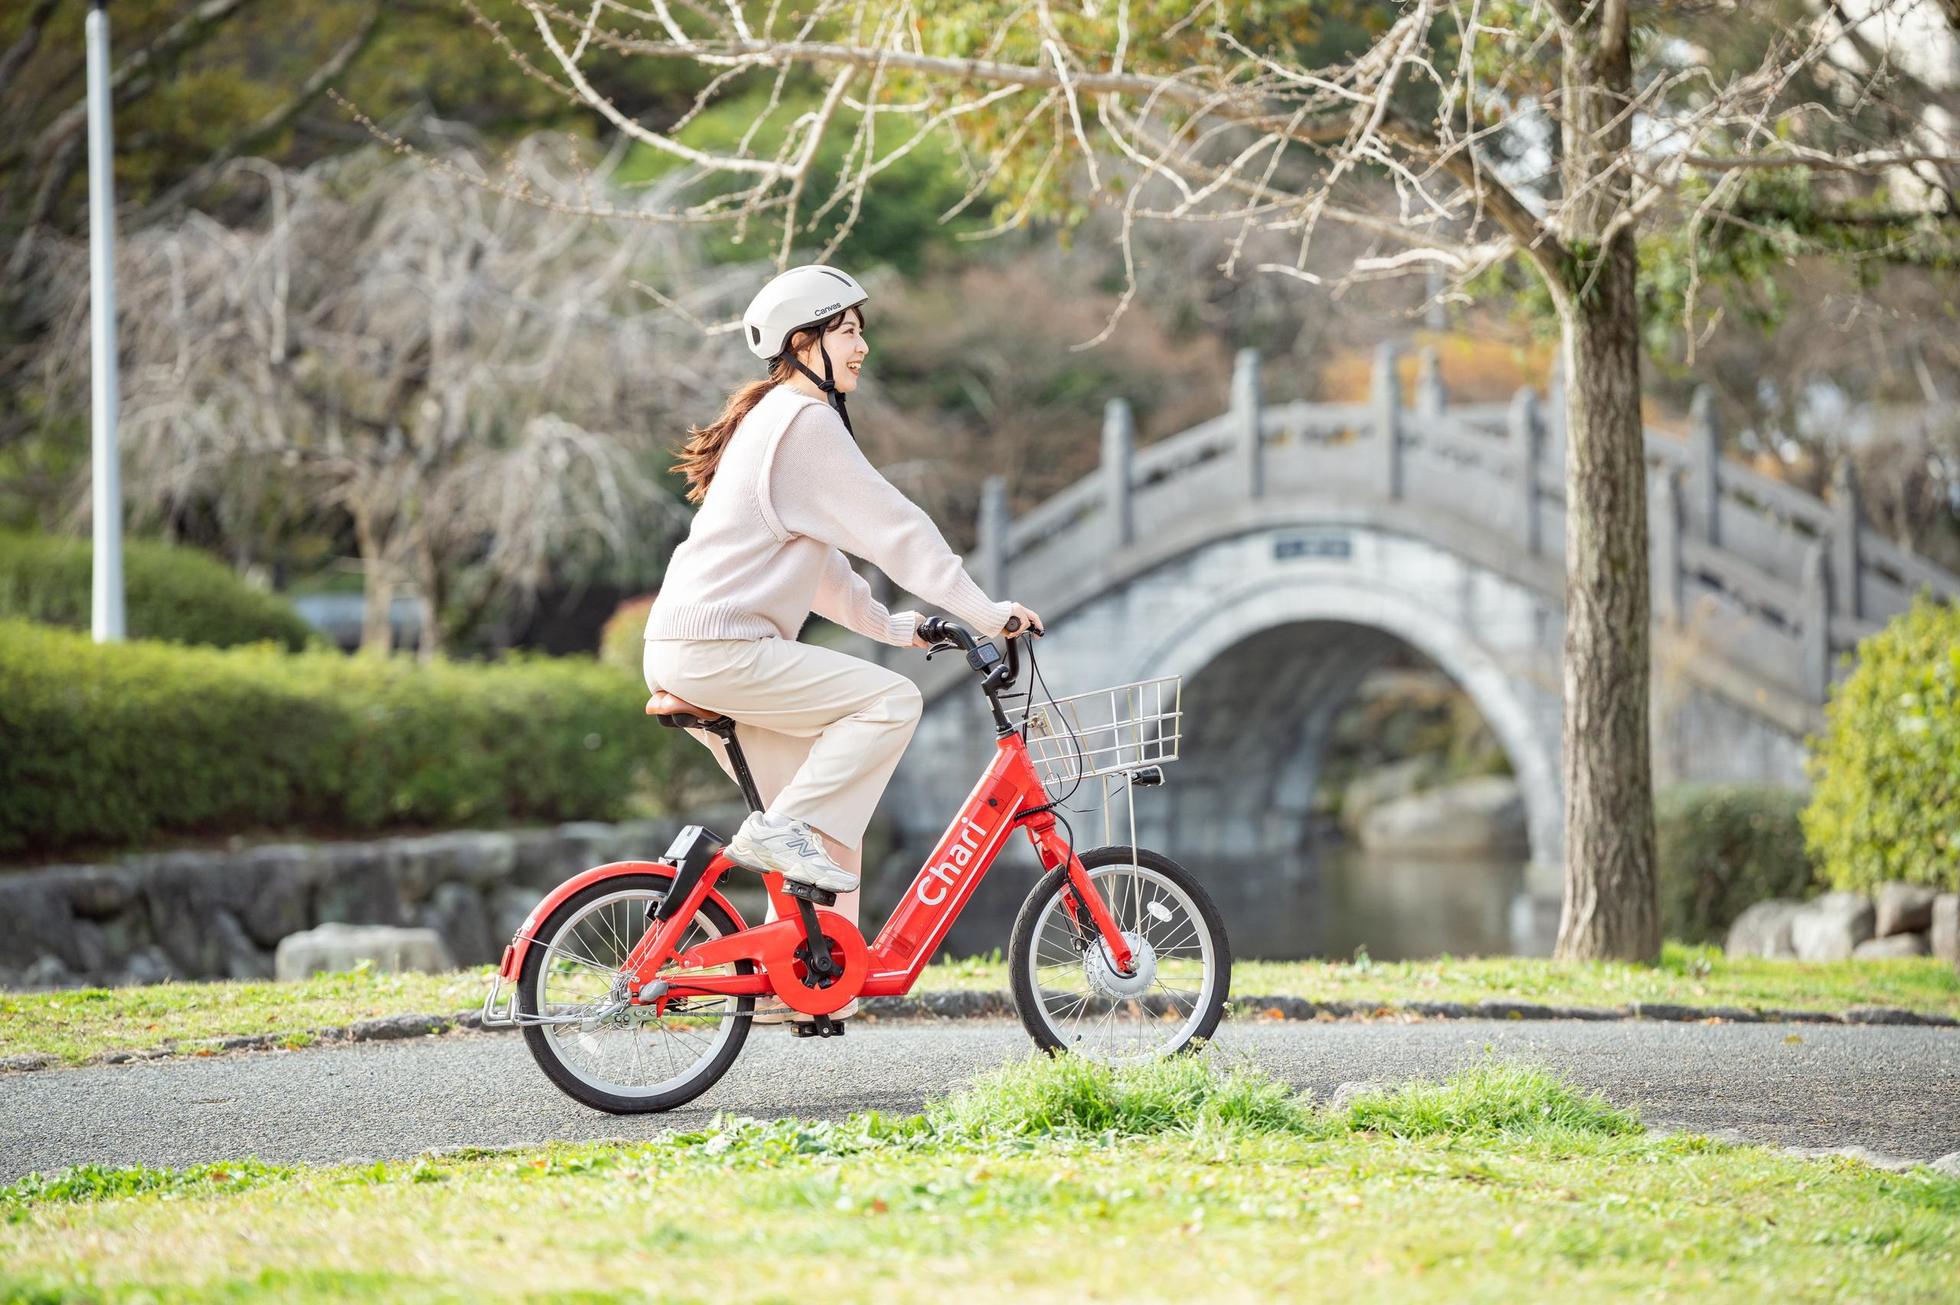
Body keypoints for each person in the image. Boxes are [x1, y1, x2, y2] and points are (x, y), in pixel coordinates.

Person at [643, 265, 1043, 1022]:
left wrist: (899, 627)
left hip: (694, 647)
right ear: (803, 343)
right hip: (722, 649)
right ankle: (779, 838)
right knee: (889, 702)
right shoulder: (804, 422)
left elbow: (822, 569)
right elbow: (897, 530)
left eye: (862, 329)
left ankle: (803, 983)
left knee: (828, 828)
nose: (862, 345)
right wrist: (986, 613)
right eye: (847, 330)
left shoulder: (775, 421)